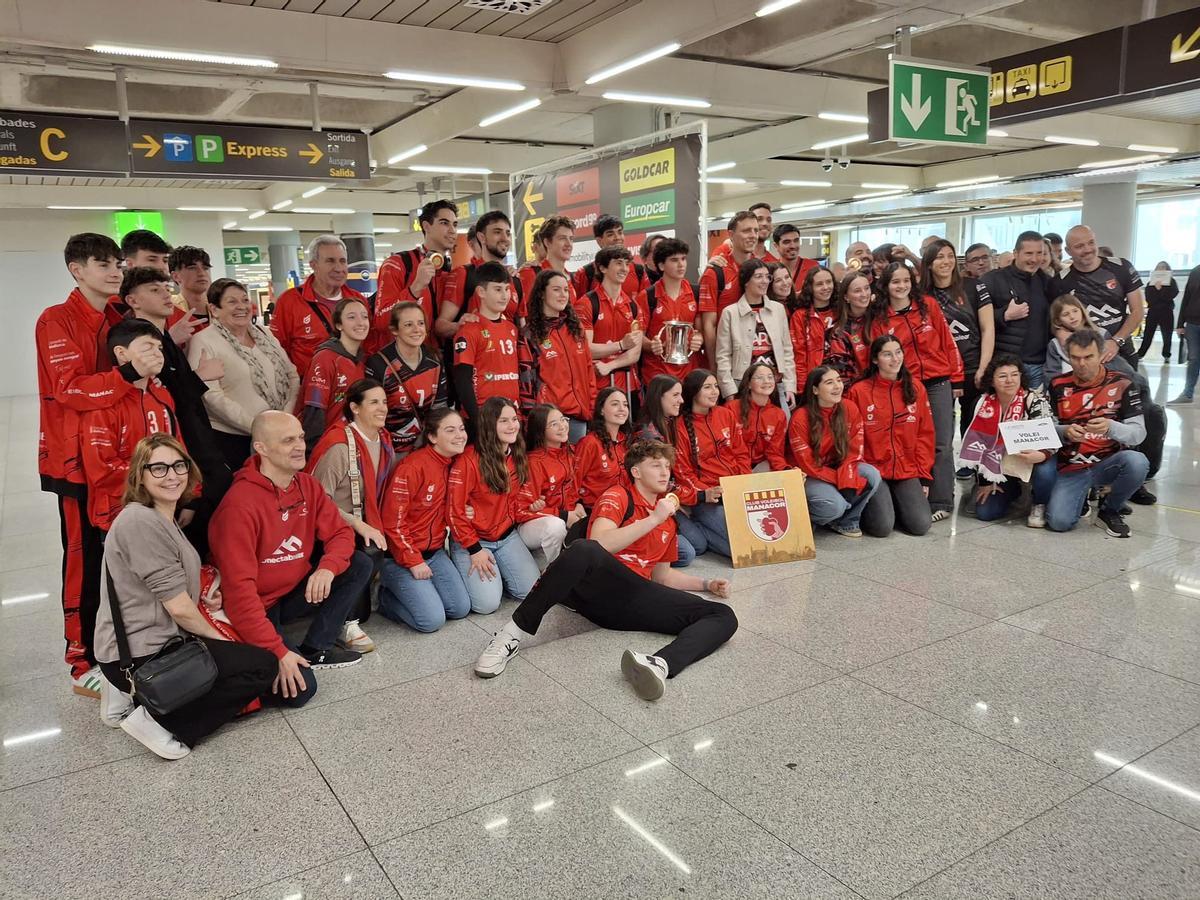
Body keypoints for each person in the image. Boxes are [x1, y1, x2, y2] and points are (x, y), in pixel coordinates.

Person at [473, 440, 736, 701]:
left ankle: (659, 665)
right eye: (656, 465)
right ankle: (511, 635)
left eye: (667, 466)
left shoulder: (667, 520)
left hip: (630, 602)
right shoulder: (618, 496)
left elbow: (663, 576)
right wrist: (653, 519)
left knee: (723, 615)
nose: (664, 472)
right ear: (636, 471)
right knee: (584, 549)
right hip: (598, 587)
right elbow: (600, 543)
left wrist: (706, 584)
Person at [95, 434, 276, 759]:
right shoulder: (141, 522)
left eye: (179, 466)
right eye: (159, 468)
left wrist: (204, 591)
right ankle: (157, 721)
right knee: (260, 667)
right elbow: (179, 609)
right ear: (139, 475)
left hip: (145, 642)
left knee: (240, 658)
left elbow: (167, 582)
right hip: (143, 655)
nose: (172, 475)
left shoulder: (161, 515)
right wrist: (222, 644)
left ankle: (127, 696)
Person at [209, 411, 375, 707]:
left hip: (291, 591)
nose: (300, 446)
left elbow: (340, 533)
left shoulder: (307, 485)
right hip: (256, 606)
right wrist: (278, 652)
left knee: (359, 563)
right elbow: (239, 595)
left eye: (300, 437)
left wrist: (326, 569)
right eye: (288, 441)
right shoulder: (239, 505)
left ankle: (316, 648)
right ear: (261, 448)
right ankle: (258, 659)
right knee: (301, 690)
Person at [37, 234, 142, 694]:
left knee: (123, 554)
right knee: (85, 558)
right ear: (76, 270)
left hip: (123, 457)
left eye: (117, 263)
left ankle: (122, 645)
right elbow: (70, 389)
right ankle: (81, 663)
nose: (115, 271)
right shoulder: (55, 320)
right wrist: (127, 373)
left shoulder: (119, 316)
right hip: (75, 463)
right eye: (103, 264)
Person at [117, 266, 231, 552]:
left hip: (195, 451)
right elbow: (165, 403)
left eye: (166, 288)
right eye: (155, 290)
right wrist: (200, 376)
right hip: (180, 457)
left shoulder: (164, 338)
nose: (166, 295)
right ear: (132, 300)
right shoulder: (135, 343)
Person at [306, 379, 395, 653]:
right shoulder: (339, 446)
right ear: (355, 408)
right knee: (368, 549)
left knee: (379, 544)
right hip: (331, 529)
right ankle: (345, 622)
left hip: (367, 520)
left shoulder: (383, 439)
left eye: (384, 402)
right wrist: (357, 523)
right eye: (374, 402)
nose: (382, 408)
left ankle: (363, 604)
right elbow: (317, 500)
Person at [869, 261, 962, 521]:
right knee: (913, 440)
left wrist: (957, 378)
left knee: (942, 442)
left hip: (938, 380)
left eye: (906, 280)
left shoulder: (928, 305)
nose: (902, 286)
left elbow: (947, 341)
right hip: (907, 384)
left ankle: (941, 499)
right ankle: (914, 495)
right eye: (895, 281)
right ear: (886, 286)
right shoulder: (880, 318)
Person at [80, 319, 182, 533]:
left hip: (165, 508)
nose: (158, 354)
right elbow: (102, 469)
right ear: (121, 353)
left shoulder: (162, 394)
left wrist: (190, 495)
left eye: (159, 347)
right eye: (147, 347)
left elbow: (178, 448)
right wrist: (158, 479)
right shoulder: (104, 403)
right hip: (120, 516)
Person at [1045, 330, 1150, 537]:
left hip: (1108, 463)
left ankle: (1109, 509)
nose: (1081, 364)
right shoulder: (1057, 384)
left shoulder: (1124, 383)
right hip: (1071, 466)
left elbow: (1138, 434)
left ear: (1101, 355)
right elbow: (1045, 428)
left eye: (1088, 357)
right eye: (1075, 358)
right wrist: (1064, 431)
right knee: (1059, 522)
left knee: (1138, 462)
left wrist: (1110, 427)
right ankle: (1082, 495)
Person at [188, 278, 299, 471]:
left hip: (280, 435)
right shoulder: (203, 341)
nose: (241, 306)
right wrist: (258, 427)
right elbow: (210, 396)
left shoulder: (264, 334)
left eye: (245, 300)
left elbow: (292, 376)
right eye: (232, 302)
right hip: (233, 442)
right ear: (214, 309)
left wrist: (283, 419)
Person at [377, 408, 471, 633]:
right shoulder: (412, 467)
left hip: (435, 552)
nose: (460, 435)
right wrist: (413, 561)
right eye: (450, 430)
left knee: (459, 609)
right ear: (432, 437)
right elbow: (392, 522)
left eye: (461, 429)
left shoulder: (456, 463)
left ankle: (420, 593)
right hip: (400, 557)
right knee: (431, 621)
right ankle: (383, 597)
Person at [447, 397, 541, 614]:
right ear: (490, 425)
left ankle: (501, 574)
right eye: (503, 421)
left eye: (514, 419)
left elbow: (517, 500)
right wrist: (474, 549)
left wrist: (535, 507)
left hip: (506, 536)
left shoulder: (516, 454)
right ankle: (468, 569)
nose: (512, 426)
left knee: (530, 591)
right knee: (487, 605)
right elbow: (454, 512)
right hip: (474, 540)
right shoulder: (468, 460)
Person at [848, 336, 935, 537]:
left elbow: (925, 435)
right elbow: (850, 439)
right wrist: (859, 474)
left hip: (906, 469)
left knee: (921, 525)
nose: (895, 359)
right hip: (874, 470)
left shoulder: (916, 388)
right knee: (881, 528)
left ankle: (895, 502)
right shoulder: (858, 391)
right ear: (875, 359)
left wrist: (923, 476)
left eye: (898, 352)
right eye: (887, 354)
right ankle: (881, 503)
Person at [957, 353, 1056, 527]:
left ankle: (1039, 502)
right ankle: (1016, 491)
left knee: (1045, 471)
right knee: (985, 513)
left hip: (1033, 459)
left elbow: (1051, 441)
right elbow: (975, 447)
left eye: (1014, 375)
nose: (1010, 380)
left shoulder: (1035, 401)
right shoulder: (980, 404)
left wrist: (1042, 455)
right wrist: (985, 482)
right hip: (1002, 466)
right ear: (992, 381)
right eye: (1002, 376)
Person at [921, 239, 995, 464]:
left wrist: (984, 366)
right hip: (939, 372)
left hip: (973, 365)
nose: (946, 261)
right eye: (939, 257)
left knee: (972, 420)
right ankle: (943, 472)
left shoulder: (973, 286)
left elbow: (988, 328)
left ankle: (970, 464)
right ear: (929, 263)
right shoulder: (921, 294)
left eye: (950, 256)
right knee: (941, 430)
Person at [788, 366, 881, 536]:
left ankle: (846, 521)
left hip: (838, 468)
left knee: (872, 474)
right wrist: (842, 481)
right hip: (808, 474)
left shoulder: (850, 408)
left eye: (839, 380)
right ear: (815, 390)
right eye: (829, 382)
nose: (837, 386)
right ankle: (809, 519)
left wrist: (848, 478)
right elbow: (808, 465)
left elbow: (854, 452)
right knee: (835, 506)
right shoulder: (800, 417)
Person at [672, 369, 752, 557]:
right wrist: (706, 493)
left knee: (750, 539)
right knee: (740, 549)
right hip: (708, 497)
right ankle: (698, 524)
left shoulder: (725, 414)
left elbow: (741, 453)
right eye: (707, 387)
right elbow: (684, 474)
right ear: (693, 392)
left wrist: (743, 483)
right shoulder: (679, 426)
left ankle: (706, 533)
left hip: (736, 490)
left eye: (716, 386)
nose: (715, 391)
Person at [270, 235, 366, 378]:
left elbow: (369, 345)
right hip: (310, 387)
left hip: (355, 385)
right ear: (313, 265)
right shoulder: (289, 301)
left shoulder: (358, 300)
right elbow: (277, 352)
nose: (339, 268)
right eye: (330, 261)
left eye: (342, 261)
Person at [518, 268, 596, 442]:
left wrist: (592, 409)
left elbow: (588, 371)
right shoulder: (530, 334)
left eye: (566, 290)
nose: (563, 295)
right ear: (541, 294)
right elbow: (526, 383)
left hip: (580, 417)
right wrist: (532, 420)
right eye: (556, 289)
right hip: (549, 422)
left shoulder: (575, 328)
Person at [634, 374, 704, 565]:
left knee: (699, 544)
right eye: (675, 395)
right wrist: (699, 496)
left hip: (666, 498)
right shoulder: (648, 434)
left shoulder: (666, 423)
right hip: (649, 503)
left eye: (681, 395)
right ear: (659, 397)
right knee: (689, 553)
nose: (681, 400)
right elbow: (658, 482)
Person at [1057, 226, 1145, 371]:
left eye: (1091, 242)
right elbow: (1056, 320)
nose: (1087, 249)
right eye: (1079, 246)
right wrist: (1061, 334)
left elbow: (1138, 310)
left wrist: (1116, 341)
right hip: (1085, 359)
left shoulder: (1121, 267)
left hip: (1123, 351)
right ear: (1068, 251)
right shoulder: (1060, 281)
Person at [365, 302, 447, 455]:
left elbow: (439, 408)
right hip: (388, 449)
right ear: (394, 330)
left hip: (424, 447)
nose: (417, 329)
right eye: (408, 325)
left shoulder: (434, 360)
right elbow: (370, 412)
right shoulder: (378, 363)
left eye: (421, 323)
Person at [376, 199, 462, 344]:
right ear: (426, 226)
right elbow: (381, 321)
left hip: (446, 355)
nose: (452, 230)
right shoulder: (397, 264)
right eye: (444, 223)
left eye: (455, 224)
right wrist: (416, 287)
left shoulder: (455, 271)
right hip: (406, 355)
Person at [716, 258, 796, 406]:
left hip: (775, 383)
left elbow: (787, 350)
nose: (765, 281)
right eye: (759, 276)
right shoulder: (730, 313)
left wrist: (790, 385)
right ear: (746, 281)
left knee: (782, 418)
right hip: (742, 384)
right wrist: (729, 391)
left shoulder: (778, 309)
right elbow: (723, 356)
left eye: (767, 276)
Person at [979, 231, 1054, 389]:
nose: (1034, 259)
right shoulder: (992, 280)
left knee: (1036, 405)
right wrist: (1004, 315)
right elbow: (974, 320)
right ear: (1015, 253)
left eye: (1039, 253)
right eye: (1029, 253)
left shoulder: (1048, 283)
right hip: (1006, 366)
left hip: (1040, 365)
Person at [577, 246, 644, 417]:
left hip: (628, 386)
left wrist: (610, 365)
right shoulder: (586, 303)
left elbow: (635, 353)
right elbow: (586, 349)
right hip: (597, 387)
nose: (624, 269)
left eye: (627, 264)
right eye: (618, 263)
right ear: (602, 268)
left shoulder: (633, 306)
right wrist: (620, 345)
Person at [434, 209, 520, 340]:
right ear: (481, 237)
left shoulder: (514, 278)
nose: (505, 238)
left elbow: (521, 326)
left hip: (509, 352)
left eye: (508, 233)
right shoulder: (463, 274)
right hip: (473, 351)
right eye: (497, 232)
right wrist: (460, 326)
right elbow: (440, 326)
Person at [453, 261, 521, 426]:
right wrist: (478, 420)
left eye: (507, 289)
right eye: (498, 289)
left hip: (511, 416)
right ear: (481, 292)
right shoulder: (469, 330)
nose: (504, 296)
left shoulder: (512, 329)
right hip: (483, 418)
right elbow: (462, 380)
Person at [515, 404, 585, 565]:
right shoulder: (534, 462)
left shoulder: (570, 453)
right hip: (531, 527)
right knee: (556, 526)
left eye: (563, 419)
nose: (562, 426)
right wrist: (563, 515)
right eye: (554, 424)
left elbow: (574, 489)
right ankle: (550, 568)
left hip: (563, 518)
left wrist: (578, 504)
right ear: (540, 431)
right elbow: (520, 511)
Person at [298, 296, 369, 448]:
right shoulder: (325, 359)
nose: (360, 322)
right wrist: (314, 452)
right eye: (351, 317)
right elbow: (314, 412)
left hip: (351, 444)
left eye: (364, 317)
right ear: (338, 325)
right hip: (328, 445)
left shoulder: (363, 360)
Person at [638, 238, 704, 386]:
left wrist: (699, 338)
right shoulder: (647, 296)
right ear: (661, 265)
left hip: (690, 372)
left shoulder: (696, 293)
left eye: (683, 259)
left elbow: (702, 330)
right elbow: (638, 336)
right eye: (674, 260)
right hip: (657, 373)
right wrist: (652, 345)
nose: (681, 264)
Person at [700, 212, 759, 361]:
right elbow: (709, 325)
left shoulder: (763, 270)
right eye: (746, 230)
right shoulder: (715, 272)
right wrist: (714, 365)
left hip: (759, 356)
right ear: (731, 235)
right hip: (728, 356)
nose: (753, 235)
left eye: (755, 230)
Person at [574, 387, 632, 511]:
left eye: (625, 404)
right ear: (601, 410)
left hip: (624, 508)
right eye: (615, 404)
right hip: (594, 510)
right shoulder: (589, 443)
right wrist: (576, 504)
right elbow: (573, 479)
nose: (622, 408)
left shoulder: (628, 442)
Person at [727, 362, 788, 471]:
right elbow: (725, 448)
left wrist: (786, 470)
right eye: (760, 378)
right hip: (733, 465)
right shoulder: (731, 408)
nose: (766, 381)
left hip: (760, 466)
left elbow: (775, 452)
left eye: (770, 377)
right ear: (749, 384)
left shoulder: (779, 414)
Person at [572, 214, 649, 299]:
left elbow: (644, 304)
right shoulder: (586, 273)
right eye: (610, 234)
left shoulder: (639, 271)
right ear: (599, 241)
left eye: (620, 232)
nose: (617, 238)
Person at [517, 216, 577, 317]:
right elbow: (522, 316)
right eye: (562, 238)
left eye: (571, 239)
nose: (568, 244)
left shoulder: (573, 278)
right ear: (547, 242)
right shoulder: (530, 274)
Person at [789, 264, 837, 390]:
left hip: (844, 376)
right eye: (819, 284)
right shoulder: (800, 316)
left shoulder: (842, 310)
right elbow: (799, 355)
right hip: (817, 379)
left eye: (829, 282)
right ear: (810, 288)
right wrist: (803, 387)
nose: (826, 287)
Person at [824, 271, 874, 385]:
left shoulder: (880, 318)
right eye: (857, 291)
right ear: (846, 297)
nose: (864, 294)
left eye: (867, 288)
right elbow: (843, 375)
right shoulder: (840, 332)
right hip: (859, 388)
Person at [1171, 263, 1200, 404]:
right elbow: (1187, 297)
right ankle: (1188, 394)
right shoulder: (1196, 272)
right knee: (1193, 359)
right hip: (1193, 323)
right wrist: (1180, 323)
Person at [168, 245, 213, 336]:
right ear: (175, 276)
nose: (202, 273)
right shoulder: (167, 309)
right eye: (192, 268)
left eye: (205, 268)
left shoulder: (221, 307)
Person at [1137, 262, 1178, 362]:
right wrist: (1156, 289)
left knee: (1167, 335)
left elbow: (1171, 296)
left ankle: (1166, 354)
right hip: (1153, 312)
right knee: (1148, 334)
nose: (1161, 269)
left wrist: (1160, 290)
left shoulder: (1172, 282)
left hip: (1167, 312)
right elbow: (1149, 299)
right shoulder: (1151, 283)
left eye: (1163, 268)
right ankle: (1140, 354)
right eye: (1159, 268)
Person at [773, 223, 818, 288]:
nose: (793, 246)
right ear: (776, 246)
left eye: (796, 241)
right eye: (787, 242)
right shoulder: (771, 270)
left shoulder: (813, 267)